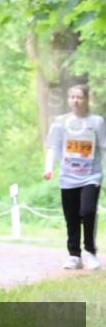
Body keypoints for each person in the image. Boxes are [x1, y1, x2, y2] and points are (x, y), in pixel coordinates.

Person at [43, 84, 104, 270]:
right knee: (71, 216)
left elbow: (104, 147)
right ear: (68, 100)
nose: (75, 101)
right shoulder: (60, 122)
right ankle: (74, 256)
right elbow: (53, 146)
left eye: (79, 97)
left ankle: (91, 253)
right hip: (67, 177)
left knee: (87, 211)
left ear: (87, 100)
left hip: (91, 176)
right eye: (72, 97)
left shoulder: (97, 122)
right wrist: (48, 168)